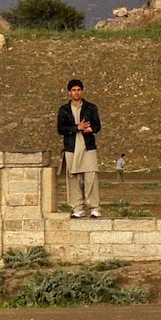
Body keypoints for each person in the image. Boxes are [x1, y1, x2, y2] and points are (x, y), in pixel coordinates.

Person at [55, 78, 102, 219]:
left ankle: (94, 207)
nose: (76, 93)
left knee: (90, 177)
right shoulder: (64, 110)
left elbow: (97, 126)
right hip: (71, 148)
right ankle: (77, 208)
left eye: (79, 90)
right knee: (74, 179)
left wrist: (90, 129)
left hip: (88, 147)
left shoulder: (91, 108)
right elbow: (61, 129)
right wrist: (77, 128)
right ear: (69, 92)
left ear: (82, 91)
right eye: (74, 90)